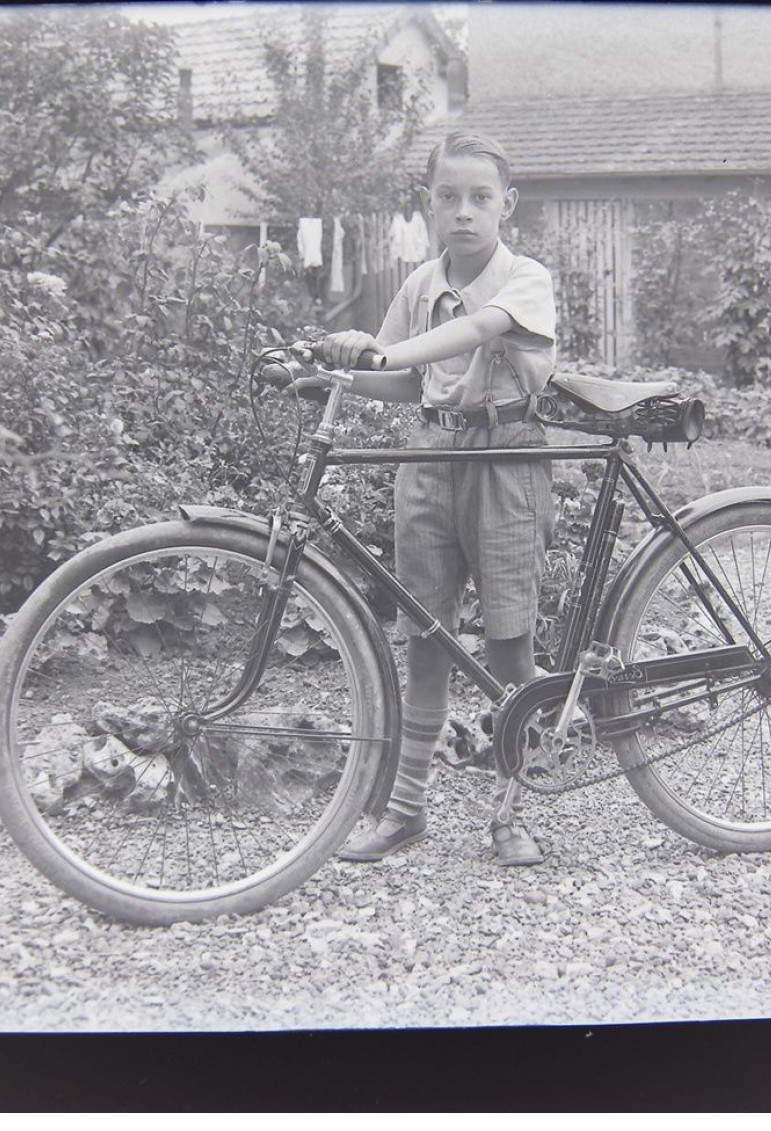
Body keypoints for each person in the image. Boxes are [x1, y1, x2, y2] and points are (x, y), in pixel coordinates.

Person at [317, 130, 557, 866]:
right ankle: (407, 810)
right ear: (427, 205)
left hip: (504, 458)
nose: (463, 212)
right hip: (429, 456)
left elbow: (476, 331)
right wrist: (334, 373)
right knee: (426, 636)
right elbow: (398, 380)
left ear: (506, 206)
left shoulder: (524, 278)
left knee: (510, 643)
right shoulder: (420, 284)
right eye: (447, 197)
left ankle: (511, 813)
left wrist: (382, 351)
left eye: (480, 198)